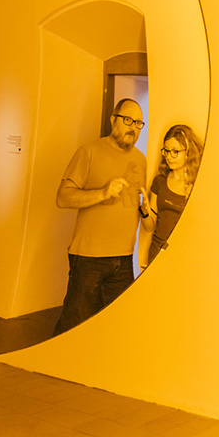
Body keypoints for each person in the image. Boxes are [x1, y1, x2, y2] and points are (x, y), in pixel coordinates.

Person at [53, 98, 147, 335]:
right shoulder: (88, 152)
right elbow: (63, 198)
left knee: (113, 328)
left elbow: (134, 206)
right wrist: (103, 193)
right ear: (113, 120)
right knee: (75, 327)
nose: (133, 128)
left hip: (124, 260)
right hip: (88, 258)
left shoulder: (141, 160)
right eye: (128, 120)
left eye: (138, 123)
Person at [139, 124, 203, 265]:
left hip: (185, 258)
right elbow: (150, 226)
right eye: (166, 151)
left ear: (188, 151)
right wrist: (144, 212)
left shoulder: (199, 185)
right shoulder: (160, 181)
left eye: (175, 151)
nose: (169, 156)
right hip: (157, 255)